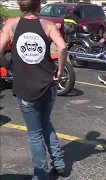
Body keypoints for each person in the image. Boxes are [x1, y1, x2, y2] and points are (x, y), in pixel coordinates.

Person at [0, 0, 67, 179]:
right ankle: (59, 164)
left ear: (21, 7)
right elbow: (62, 47)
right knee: (46, 123)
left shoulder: (11, 25)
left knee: (34, 134)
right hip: (48, 83)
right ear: (38, 7)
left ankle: (40, 174)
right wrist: (60, 70)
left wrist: (8, 65)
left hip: (26, 86)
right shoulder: (48, 25)